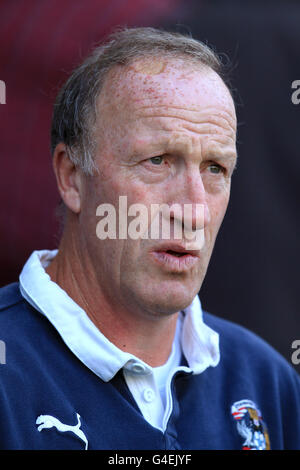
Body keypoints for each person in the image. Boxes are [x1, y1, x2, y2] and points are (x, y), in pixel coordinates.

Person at [0, 27, 299, 451]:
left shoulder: (266, 379)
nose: (194, 209)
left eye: (215, 168)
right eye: (158, 161)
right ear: (72, 178)